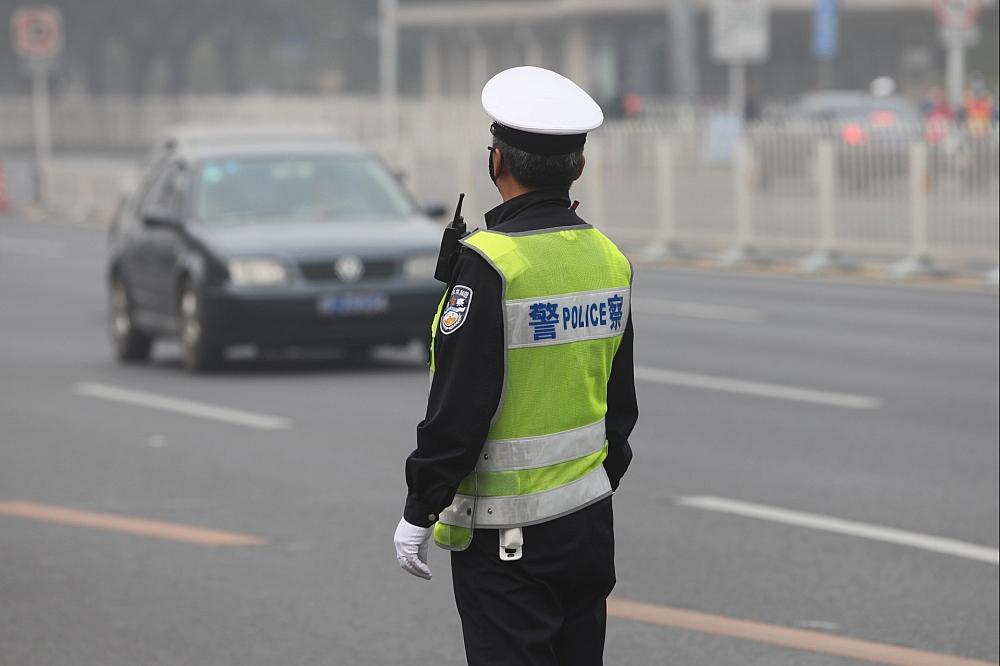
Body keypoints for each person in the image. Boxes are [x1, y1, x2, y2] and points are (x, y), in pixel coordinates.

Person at [393, 66, 638, 666]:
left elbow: (459, 407)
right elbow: (621, 408)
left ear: (495, 161)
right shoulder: (609, 258)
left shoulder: (493, 266)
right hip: (587, 528)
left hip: (508, 540)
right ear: (578, 167)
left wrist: (419, 509)